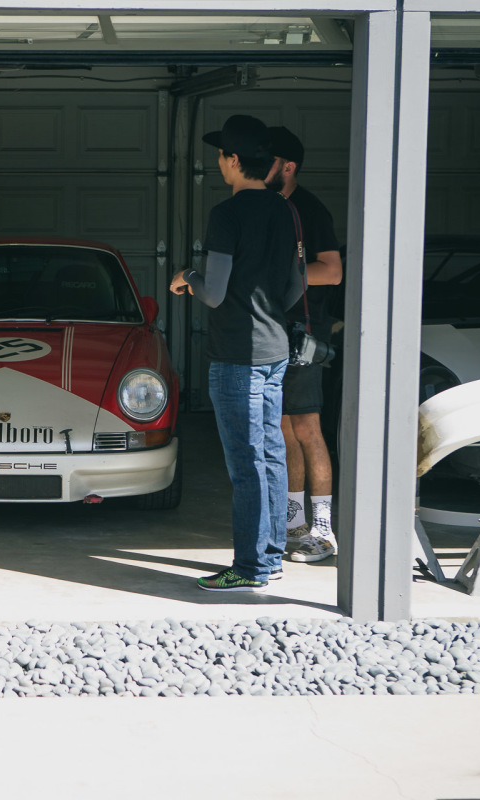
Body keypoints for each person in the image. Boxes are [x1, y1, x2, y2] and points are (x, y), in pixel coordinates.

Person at [170, 115, 301, 593]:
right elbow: (295, 285)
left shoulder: (227, 214)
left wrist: (187, 276)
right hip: (275, 350)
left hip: (237, 357)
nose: (220, 163)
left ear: (233, 160)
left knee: (246, 465)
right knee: (270, 456)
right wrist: (265, 312)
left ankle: (248, 569)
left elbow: (216, 293)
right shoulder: (286, 210)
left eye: (222, 155)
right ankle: (270, 557)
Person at [264, 126, 343, 564]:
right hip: (273, 331)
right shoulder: (267, 206)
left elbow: (332, 271)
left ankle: (325, 532)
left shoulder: (309, 209)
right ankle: (294, 525)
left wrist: (278, 275)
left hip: (306, 332)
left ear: (287, 167)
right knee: (281, 429)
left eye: (268, 162)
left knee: (307, 429)